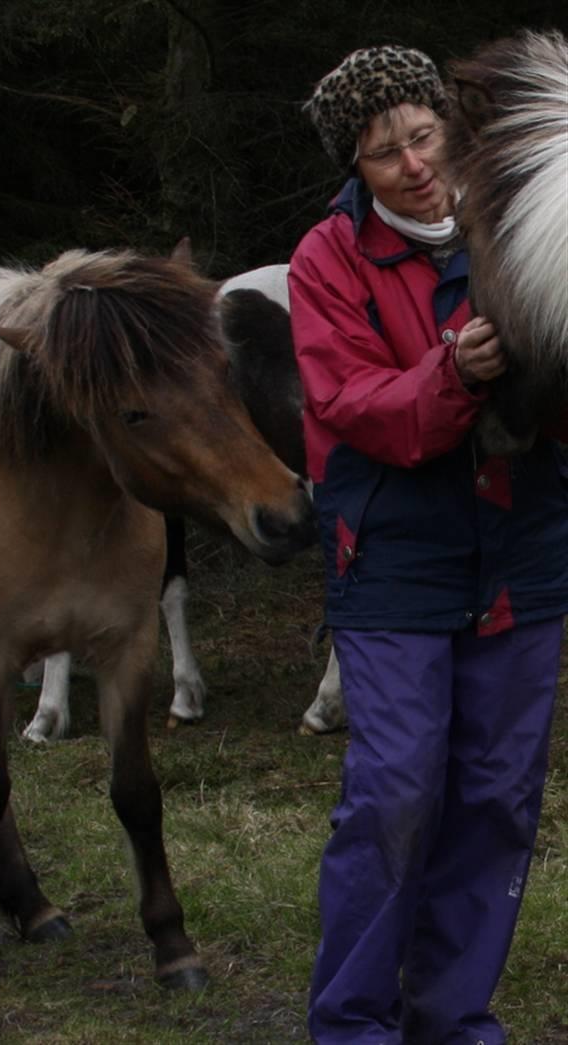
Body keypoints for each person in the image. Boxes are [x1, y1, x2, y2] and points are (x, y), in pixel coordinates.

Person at [288, 45, 568, 1045]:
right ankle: (353, 1025)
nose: (412, 164)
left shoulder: (524, 218)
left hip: (520, 550)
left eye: (421, 136)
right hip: (395, 560)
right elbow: (352, 406)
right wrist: (453, 374)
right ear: (351, 170)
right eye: (380, 153)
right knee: (396, 790)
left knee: (496, 796)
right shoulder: (328, 260)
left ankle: (451, 1019)